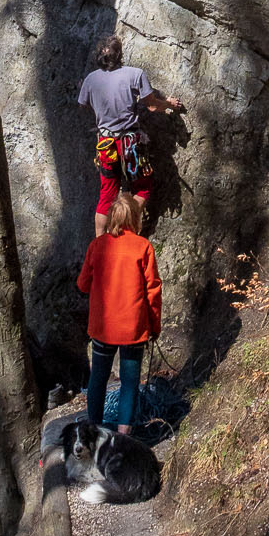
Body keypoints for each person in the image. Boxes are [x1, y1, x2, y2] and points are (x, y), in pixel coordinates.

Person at [78, 34, 185, 236]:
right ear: (119, 54)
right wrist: (169, 104)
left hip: (105, 142)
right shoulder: (134, 74)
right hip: (130, 143)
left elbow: (83, 104)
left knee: (107, 194)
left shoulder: (91, 79)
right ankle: (126, 230)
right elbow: (152, 106)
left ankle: (100, 244)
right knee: (142, 188)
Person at [76, 192, 162, 432]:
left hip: (103, 327)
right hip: (133, 328)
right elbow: (153, 290)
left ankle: (94, 429)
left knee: (98, 379)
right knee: (129, 382)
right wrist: (154, 326)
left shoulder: (97, 245)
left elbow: (82, 284)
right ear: (136, 218)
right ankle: (124, 434)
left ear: (112, 217)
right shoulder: (143, 247)